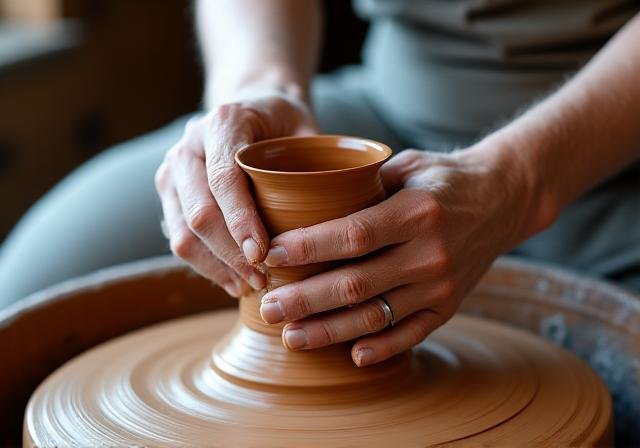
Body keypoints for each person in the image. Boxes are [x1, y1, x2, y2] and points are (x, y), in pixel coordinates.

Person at [1, 1, 639, 367]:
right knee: (22, 298)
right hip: (385, 115)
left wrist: (521, 180)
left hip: (611, 146)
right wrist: (258, 86)